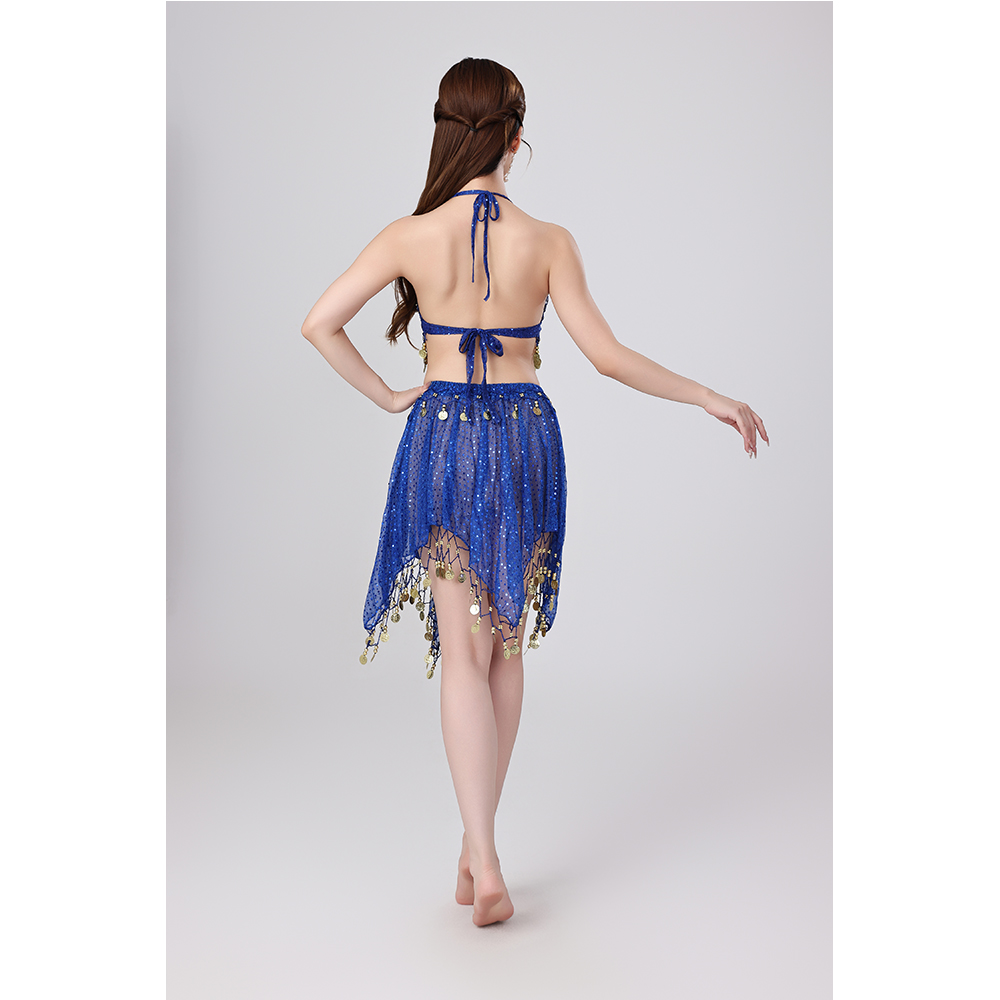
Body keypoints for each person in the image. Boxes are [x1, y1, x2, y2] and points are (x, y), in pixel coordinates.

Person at [301, 57, 768, 927]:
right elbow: (608, 358)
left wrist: (391, 395)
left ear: (448, 131)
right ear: (515, 139)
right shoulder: (549, 241)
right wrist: (706, 394)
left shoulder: (409, 234)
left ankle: (480, 855)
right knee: (504, 651)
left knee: (460, 651)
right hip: (523, 441)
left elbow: (318, 322)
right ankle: (478, 852)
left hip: (442, 438)